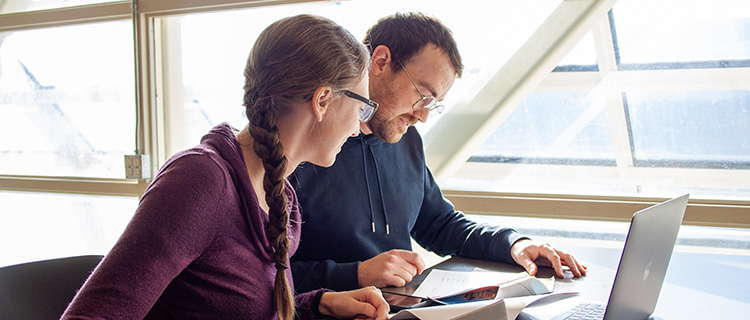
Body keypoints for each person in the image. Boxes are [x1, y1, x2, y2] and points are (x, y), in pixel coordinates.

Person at [62, 14, 389, 320]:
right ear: (322, 101)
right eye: (361, 108)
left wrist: (320, 303)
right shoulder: (199, 181)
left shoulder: (278, 191)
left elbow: (239, 308)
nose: (356, 128)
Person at [290, 12, 587, 293]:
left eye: (433, 104)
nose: (422, 116)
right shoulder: (304, 148)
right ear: (380, 61)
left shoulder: (408, 141)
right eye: (423, 96)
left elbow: (439, 224)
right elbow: (263, 275)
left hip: (399, 307)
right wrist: (354, 275)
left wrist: (514, 245)